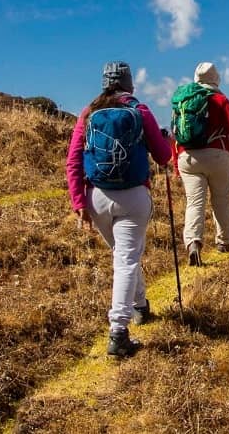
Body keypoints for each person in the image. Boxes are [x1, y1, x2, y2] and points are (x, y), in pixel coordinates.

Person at [66, 61, 171, 358]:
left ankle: (140, 305)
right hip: (134, 197)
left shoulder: (88, 113)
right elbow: (163, 156)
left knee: (124, 255)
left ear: (104, 83)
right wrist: (163, 140)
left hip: (96, 197)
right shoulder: (140, 110)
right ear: (129, 83)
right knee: (126, 260)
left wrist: (79, 202)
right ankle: (119, 332)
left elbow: (73, 161)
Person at [173, 61, 229, 266]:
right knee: (221, 199)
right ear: (216, 78)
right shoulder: (220, 99)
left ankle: (193, 244)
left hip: (187, 158)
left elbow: (176, 134)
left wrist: (175, 165)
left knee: (195, 202)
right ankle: (225, 242)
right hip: (217, 155)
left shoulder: (184, 100)